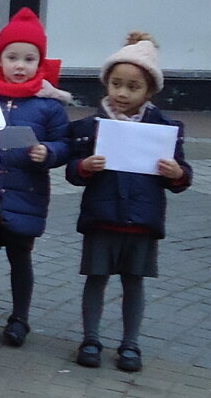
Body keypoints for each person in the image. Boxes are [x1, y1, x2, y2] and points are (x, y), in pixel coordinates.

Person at [67, 31, 190, 373]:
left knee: (133, 283)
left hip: (142, 221)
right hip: (101, 217)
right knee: (96, 278)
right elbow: (72, 172)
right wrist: (84, 166)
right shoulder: (93, 126)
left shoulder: (165, 128)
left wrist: (176, 172)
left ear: (149, 91)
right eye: (116, 83)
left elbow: (183, 177)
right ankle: (90, 338)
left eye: (132, 87)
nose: (121, 93)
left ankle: (130, 343)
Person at [0, 7, 73, 347]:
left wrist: (49, 153)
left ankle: (19, 318)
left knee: (20, 259)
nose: (20, 66)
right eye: (12, 57)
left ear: (40, 62)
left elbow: (64, 142)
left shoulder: (49, 105)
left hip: (24, 193)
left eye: (29, 58)